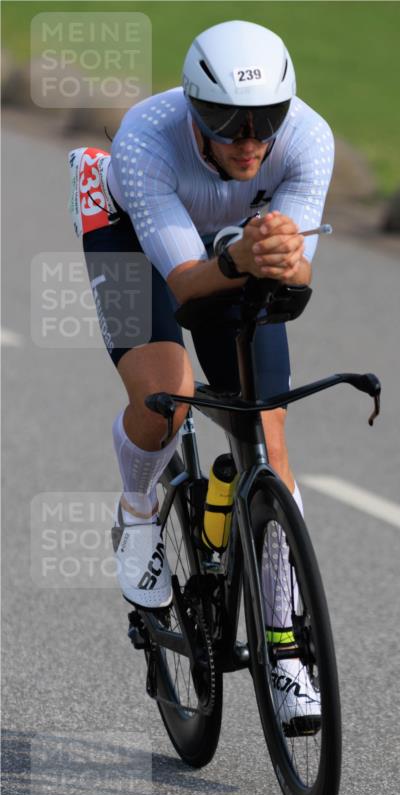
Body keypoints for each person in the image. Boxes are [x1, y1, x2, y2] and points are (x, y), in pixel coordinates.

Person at [68, 20, 334, 728]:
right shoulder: (146, 138)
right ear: (193, 108)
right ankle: (137, 514)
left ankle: (285, 653)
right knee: (169, 395)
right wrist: (247, 259)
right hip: (129, 231)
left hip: (227, 245)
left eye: (264, 124)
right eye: (226, 124)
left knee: (268, 438)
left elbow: (298, 269)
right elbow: (185, 286)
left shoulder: (308, 138)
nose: (249, 142)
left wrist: (281, 255)